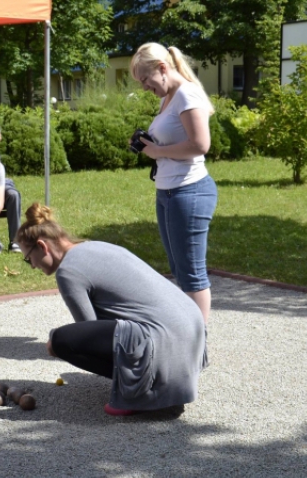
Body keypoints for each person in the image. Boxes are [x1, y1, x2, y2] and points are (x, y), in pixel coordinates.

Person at [18, 202, 207, 416]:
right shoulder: (97, 246)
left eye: (28, 258)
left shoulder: (68, 271)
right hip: (192, 335)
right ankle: (153, 379)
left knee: (61, 341)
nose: (32, 265)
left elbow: (87, 329)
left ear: (42, 246)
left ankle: (139, 392)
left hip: (162, 341)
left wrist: (53, 340)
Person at [130, 42, 218, 324]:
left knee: (192, 272)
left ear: (163, 68)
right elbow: (177, 140)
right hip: (168, 192)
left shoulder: (186, 94)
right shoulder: (168, 97)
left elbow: (201, 144)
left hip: (189, 192)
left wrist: (158, 151)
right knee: (179, 269)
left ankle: (197, 342)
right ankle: (189, 333)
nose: (145, 87)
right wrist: (150, 146)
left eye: (145, 79)